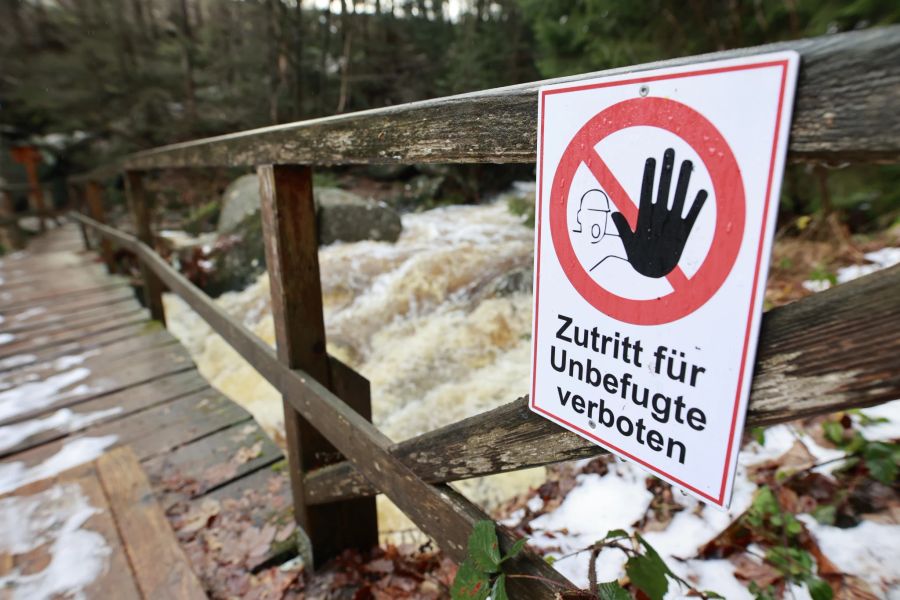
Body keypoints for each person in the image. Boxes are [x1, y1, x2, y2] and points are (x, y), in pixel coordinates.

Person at [572, 189, 628, 271]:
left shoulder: (617, 245)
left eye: (602, 214)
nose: (597, 220)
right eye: (591, 214)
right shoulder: (570, 241)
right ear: (579, 216)